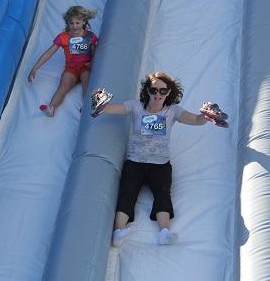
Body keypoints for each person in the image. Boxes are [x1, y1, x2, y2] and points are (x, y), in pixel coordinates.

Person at [94, 71, 224, 246]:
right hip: (135, 162)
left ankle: (164, 233)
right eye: (154, 90)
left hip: (160, 164)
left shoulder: (172, 111)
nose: (158, 95)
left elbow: (196, 120)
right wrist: (101, 104)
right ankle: (119, 232)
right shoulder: (135, 107)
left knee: (163, 194)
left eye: (163, 91)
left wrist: (206, 116)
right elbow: (111, 109)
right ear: (147, 91)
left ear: (169, 93)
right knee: (128, 193)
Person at [28, 6, 98, 117]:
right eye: (71, 23)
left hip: (86, 67)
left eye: (77, 23)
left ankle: (87, 106)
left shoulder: (90, 36)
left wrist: (92, 64)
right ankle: (51, 108)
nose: (74, 26)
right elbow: (49, 53)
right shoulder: (63, 37)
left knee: (87, 82)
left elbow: (95, 53)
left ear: (84, 22)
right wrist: (35, 68)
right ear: (67, 23)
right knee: (63, 86)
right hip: (71, 69)